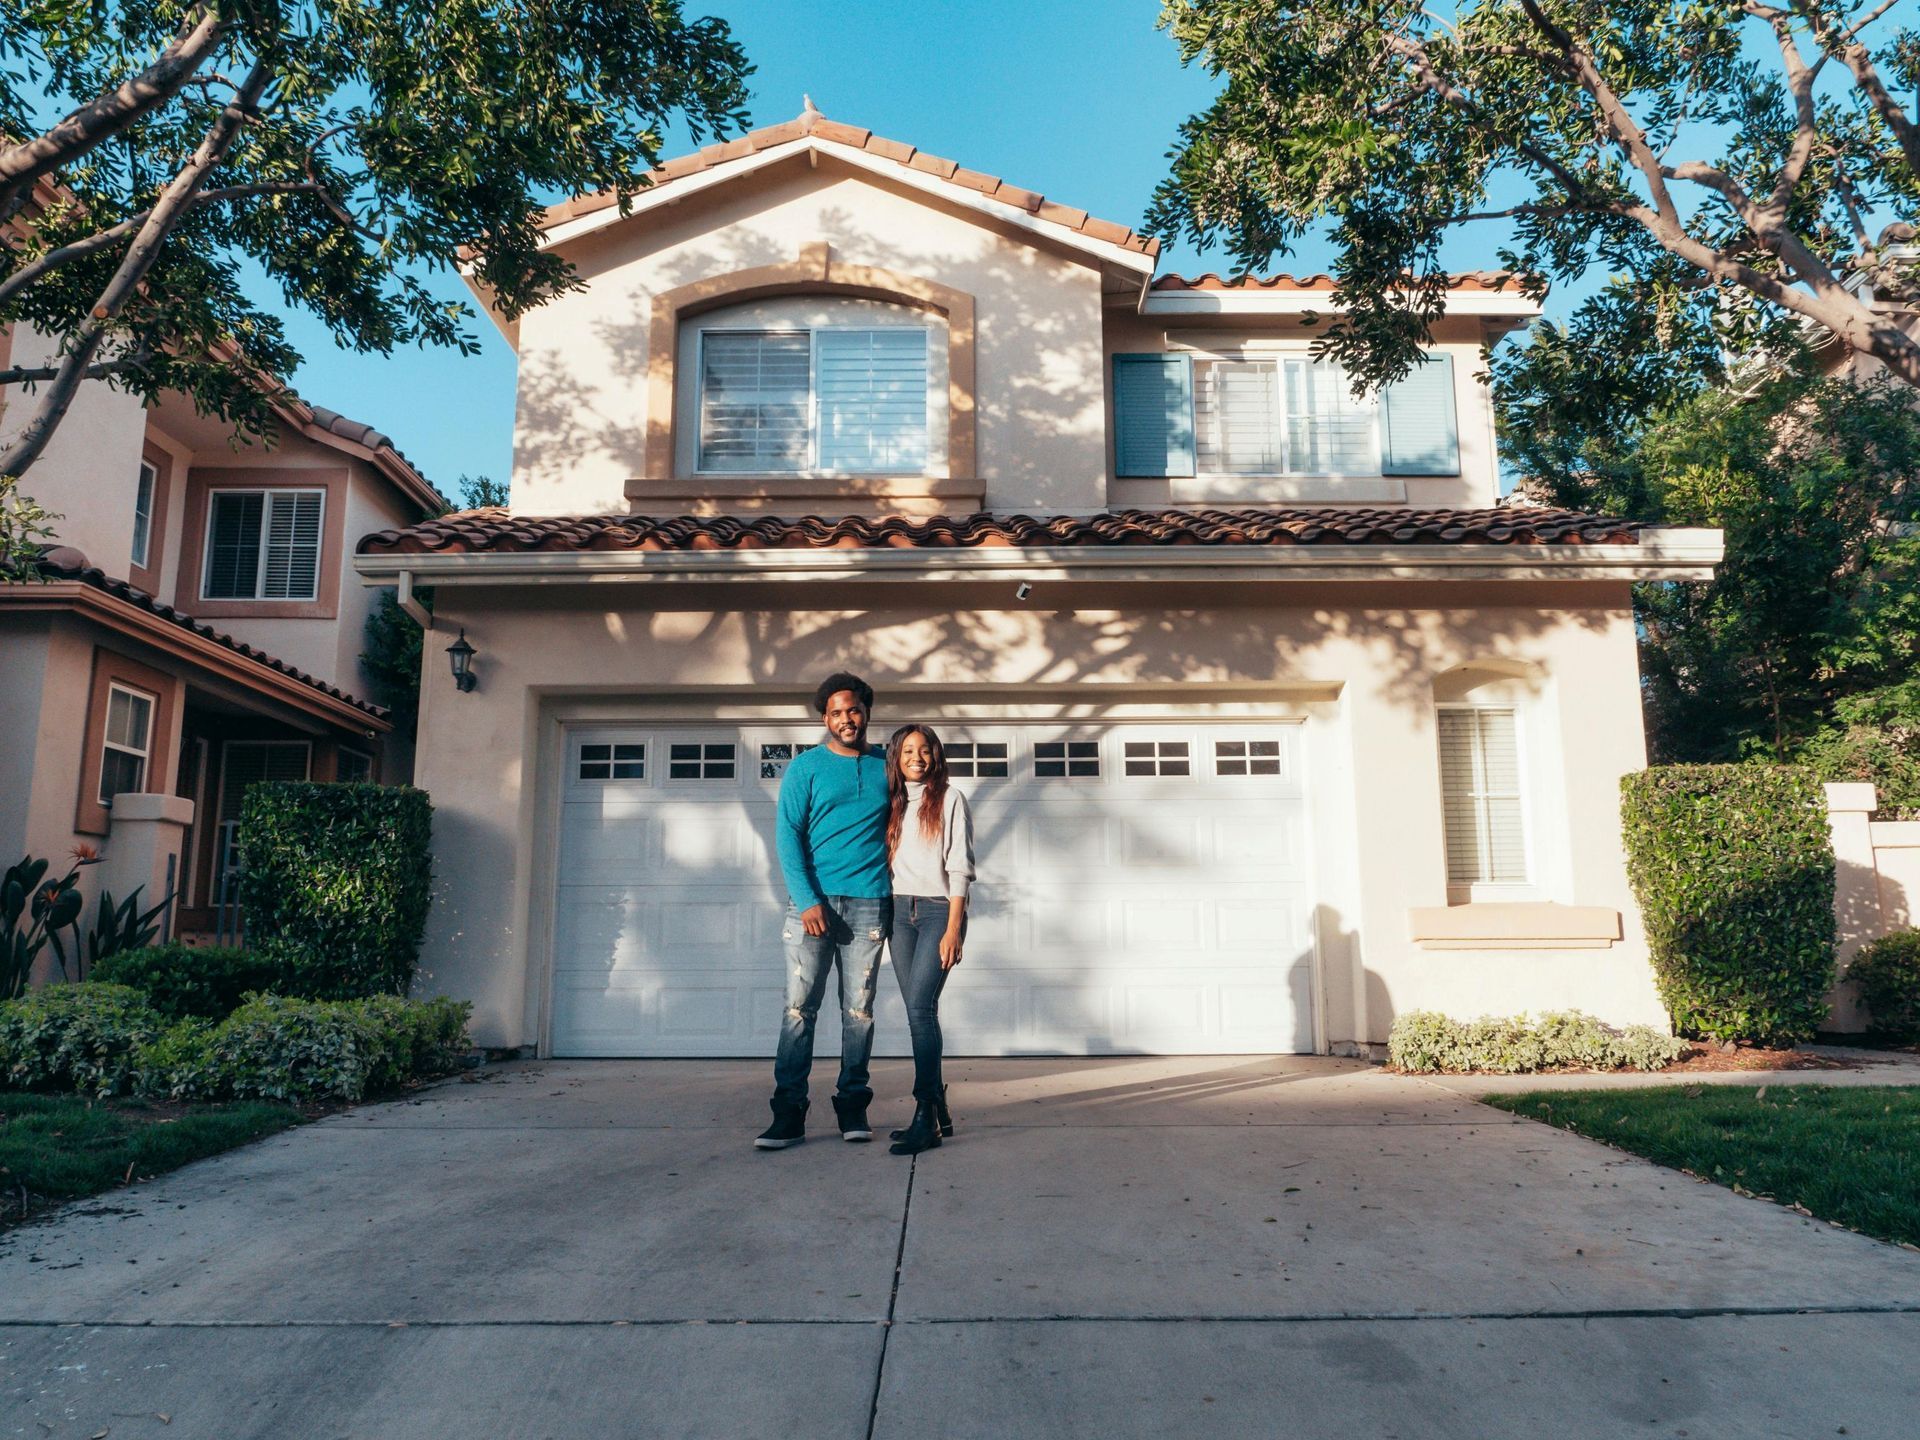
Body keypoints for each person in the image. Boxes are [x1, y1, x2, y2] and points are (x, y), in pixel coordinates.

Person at [756, 672, 893, 1151]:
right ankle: (789, 1111)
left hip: (870, 902)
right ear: (825, 719)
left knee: (859, 1012)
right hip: (811, 905)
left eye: (853, 710)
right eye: (835, 713)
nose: (846, 719)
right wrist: (808, 900)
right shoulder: (806, 767)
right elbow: (787, 836)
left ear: (867, 711)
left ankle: (852, 1104)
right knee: (799, 1011)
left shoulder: (888, 765)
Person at [882, 723, 973, 1156]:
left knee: (919, 1008)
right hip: (899, 913)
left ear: (935, 757)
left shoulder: (951, 799)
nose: (916, 757)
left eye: (925, 750)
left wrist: (954, 928)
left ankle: (926, 1116)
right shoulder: (892, 803)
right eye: (907, 751)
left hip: (938, 911)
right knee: (919, 1010)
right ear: (896, 759)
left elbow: (959, 866)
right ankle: (939, 1108)